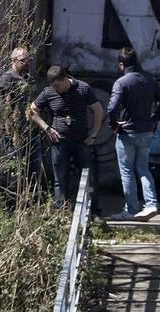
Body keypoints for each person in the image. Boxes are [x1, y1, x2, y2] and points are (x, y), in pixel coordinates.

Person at [29, 63, 104, 215]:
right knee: (60, 178)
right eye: (53, 86)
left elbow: (98, 110)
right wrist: (46, 127)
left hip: (81, 141)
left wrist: (93, 135)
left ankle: (93, 211)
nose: (56, 90)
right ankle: (61, 212)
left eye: (57, 86)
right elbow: (32, 110)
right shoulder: (49, 92)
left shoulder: (83, 88)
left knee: (88, 176)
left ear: (64, 79)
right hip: (60, 142)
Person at [106, 47, 160, 221]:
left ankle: (131, 209)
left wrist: (113, 125)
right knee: (143, 168)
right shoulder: (150, 80)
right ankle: (151, 204)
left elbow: (112, 108)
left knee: (127, 171)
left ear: (121, 64)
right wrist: (154, 119)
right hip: (147, 132)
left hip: (127, 132)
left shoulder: (122, 82)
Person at [0, 47, 41, 194]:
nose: (26, 63)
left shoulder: (29, 78)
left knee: (32, 166)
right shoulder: (8, 77)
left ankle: (28, 196)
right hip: (12, 131)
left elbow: (33, 102)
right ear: (13, 61)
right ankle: (7, 198)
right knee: (11, 166)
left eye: (28, 60)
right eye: (23, 60)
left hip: (29, 130)